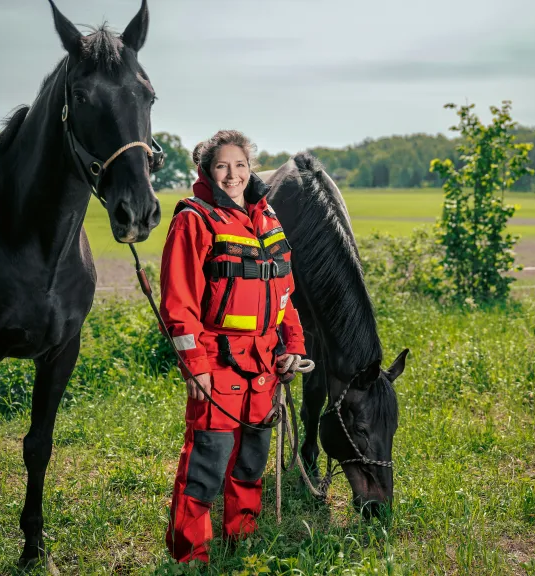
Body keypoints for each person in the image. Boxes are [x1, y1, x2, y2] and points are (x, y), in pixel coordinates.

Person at [159, 129, 307, 563]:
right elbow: (179, 301)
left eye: (240, 165)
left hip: (264, 362)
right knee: (208, 459)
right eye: (222, 166)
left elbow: (283, 291)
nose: (233, 174)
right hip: (217, 361)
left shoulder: (267, 217)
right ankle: (190, 554)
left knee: (251, 459)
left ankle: (242, 541)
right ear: (206, 169)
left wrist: (292, 344)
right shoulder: (194, 218)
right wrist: (195, 366)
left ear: (251, 168)